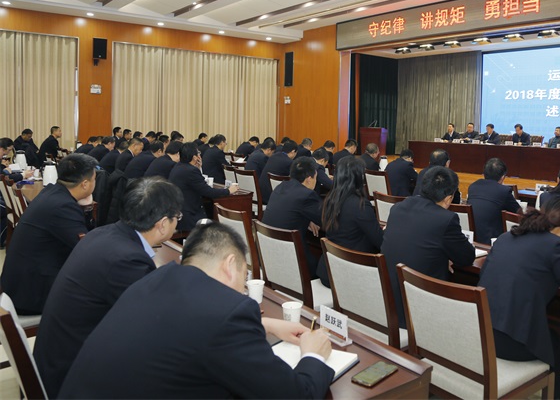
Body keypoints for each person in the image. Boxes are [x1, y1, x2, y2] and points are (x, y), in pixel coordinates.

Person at [58, 222, 334, 399]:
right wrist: (313, 355)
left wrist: (267, 325)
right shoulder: (227, 312)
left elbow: (184, 328)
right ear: (230, 265)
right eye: (244, 275)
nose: (242, 287)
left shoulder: (156, 279)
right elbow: (295, 395)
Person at [33, 177, 184, 398]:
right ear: (162, 224)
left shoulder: (103, 234)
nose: (177, 222)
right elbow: (153, 325)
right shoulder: (127, 260)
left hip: (61, 356)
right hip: (72, 377)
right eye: (177, 217)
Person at [479, 196, 560, 400]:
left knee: (548, 333)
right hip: (510, 342)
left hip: (482, 331)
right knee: (555, 341)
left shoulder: (506, 236)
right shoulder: (556, 246)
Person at [0, 154, 98, 315]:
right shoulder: (63, 206)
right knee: (99, 296)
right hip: (31, 296)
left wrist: (86, 210)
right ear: (85, 184)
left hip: (19, 283)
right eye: (94, 179)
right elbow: (86, 249)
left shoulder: (51, 192)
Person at [382, 166, 475, 327]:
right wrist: (445, 255)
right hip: (420, 310)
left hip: (389, 303)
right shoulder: (445, 219)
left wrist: (440, 254)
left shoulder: (398, 208)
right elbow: (467, 257)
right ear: (448, 198)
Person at [317, 156, 383, 287]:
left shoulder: (330, 199)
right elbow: (380, 241)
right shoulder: (359, 204)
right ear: (359, 178)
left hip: (328, 269)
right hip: (348, 274)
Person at [262, 157, 323, 277]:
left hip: (267, 250)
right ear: (309, 179)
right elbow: (327, 220)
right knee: (322, 270)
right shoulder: (307, 195)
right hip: (291, 256)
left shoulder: (281, 186)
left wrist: (307, 218)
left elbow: (290, 209)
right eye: (316, 178)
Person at [168, 143, 239, 231]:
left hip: (179, 213)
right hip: (189, 217)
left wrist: (199, 168)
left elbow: (198, 184)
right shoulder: (191, 170)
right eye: (198, 153)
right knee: (216, 224)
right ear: (195, 157)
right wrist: (228, 191)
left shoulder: (178, 166)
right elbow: (208, 192)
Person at [467, 158, 521, 244]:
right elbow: (518, 213)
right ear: (502, 177)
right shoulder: (503, 191)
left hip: (472, 239)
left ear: (484, 174)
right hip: (493, 242)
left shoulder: (473, 186)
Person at [259, 140, 298, 204]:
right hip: (273, 198)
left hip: (261, 194)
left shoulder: (273, 156)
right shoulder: (289, 162)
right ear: (293, 151)